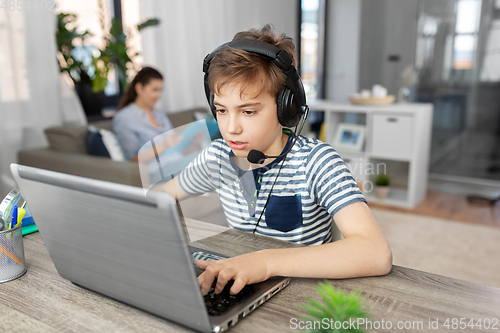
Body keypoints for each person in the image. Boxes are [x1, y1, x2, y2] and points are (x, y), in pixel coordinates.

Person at [157, 25, 392, 296]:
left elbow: (376, 251)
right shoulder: (217, 158)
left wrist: (265, 262)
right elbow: (161, 194)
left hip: (305, 298)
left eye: (248, 111)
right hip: (242, 288)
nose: (231, 128)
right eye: (221, 110)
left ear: (286, 108)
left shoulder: (317, 162)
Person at [113, 67, 181, 162]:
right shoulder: (124, 118)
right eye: (155, 90)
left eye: (160, 90)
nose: (159, 95)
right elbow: (133, 159)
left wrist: (193, 143)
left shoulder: (158, 113)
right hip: (159, 171)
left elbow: (174, 141)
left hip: (178, 161)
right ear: (139, 88)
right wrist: (163, 146)